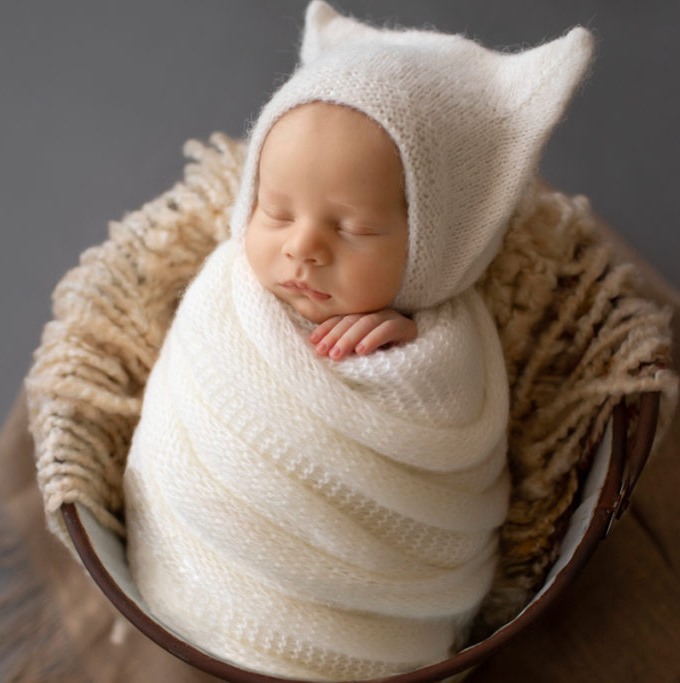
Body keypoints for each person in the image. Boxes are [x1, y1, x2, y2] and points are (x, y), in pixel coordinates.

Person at [122, 2, 593, 679]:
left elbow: (446, 436)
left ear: (435, 246)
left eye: (352, 229)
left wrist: (406, 355)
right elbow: (184, 415)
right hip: (199, 570)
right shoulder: (225, 291)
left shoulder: (450, 338)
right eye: (275, 211)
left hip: (374, 627)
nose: (302, 247)